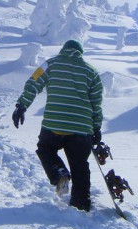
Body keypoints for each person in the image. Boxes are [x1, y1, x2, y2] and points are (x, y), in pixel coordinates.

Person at [12, 39, 103, 212]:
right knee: (80, 165)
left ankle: (59, 174)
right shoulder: (91, 71)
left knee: (45, 149)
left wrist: (22, 105)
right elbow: (96, 102)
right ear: (80, 53)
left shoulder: (50, 64)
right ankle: (81, 204)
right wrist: (96, 127)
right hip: (81, 126)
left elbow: (34, 82)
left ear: (63, 50)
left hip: (54, 123)